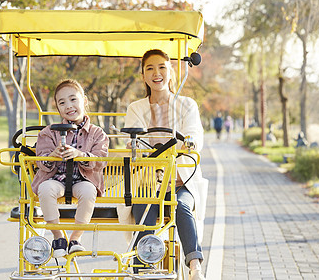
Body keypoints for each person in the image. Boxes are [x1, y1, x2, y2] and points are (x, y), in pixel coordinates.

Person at [124, 49, 207, 280]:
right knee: (143, 208)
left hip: (181, 180)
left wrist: (186, 146)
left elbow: (193, 138)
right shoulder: (136, 108)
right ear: (143, 76)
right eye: (149, 68)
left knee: (181, 205)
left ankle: (194, 265)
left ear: (171, 72)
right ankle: (143, 267)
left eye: (162, 67)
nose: (156, 73)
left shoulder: (187, 105)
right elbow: (135, 144)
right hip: (149, 182)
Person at [32, 79, 109, 258]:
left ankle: (76, 237)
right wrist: (53, 155)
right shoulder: (48, 132)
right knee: (45, 189)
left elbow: (100, 160)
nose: (69, 106)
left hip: (83, 179)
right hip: (56, 179)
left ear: (84, 101)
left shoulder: (98, 134)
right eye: (62, 102)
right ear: (58, 108)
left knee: (89, 191)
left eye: (73, 99)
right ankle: (58, 236)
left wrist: (80, 155)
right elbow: (40, 160)